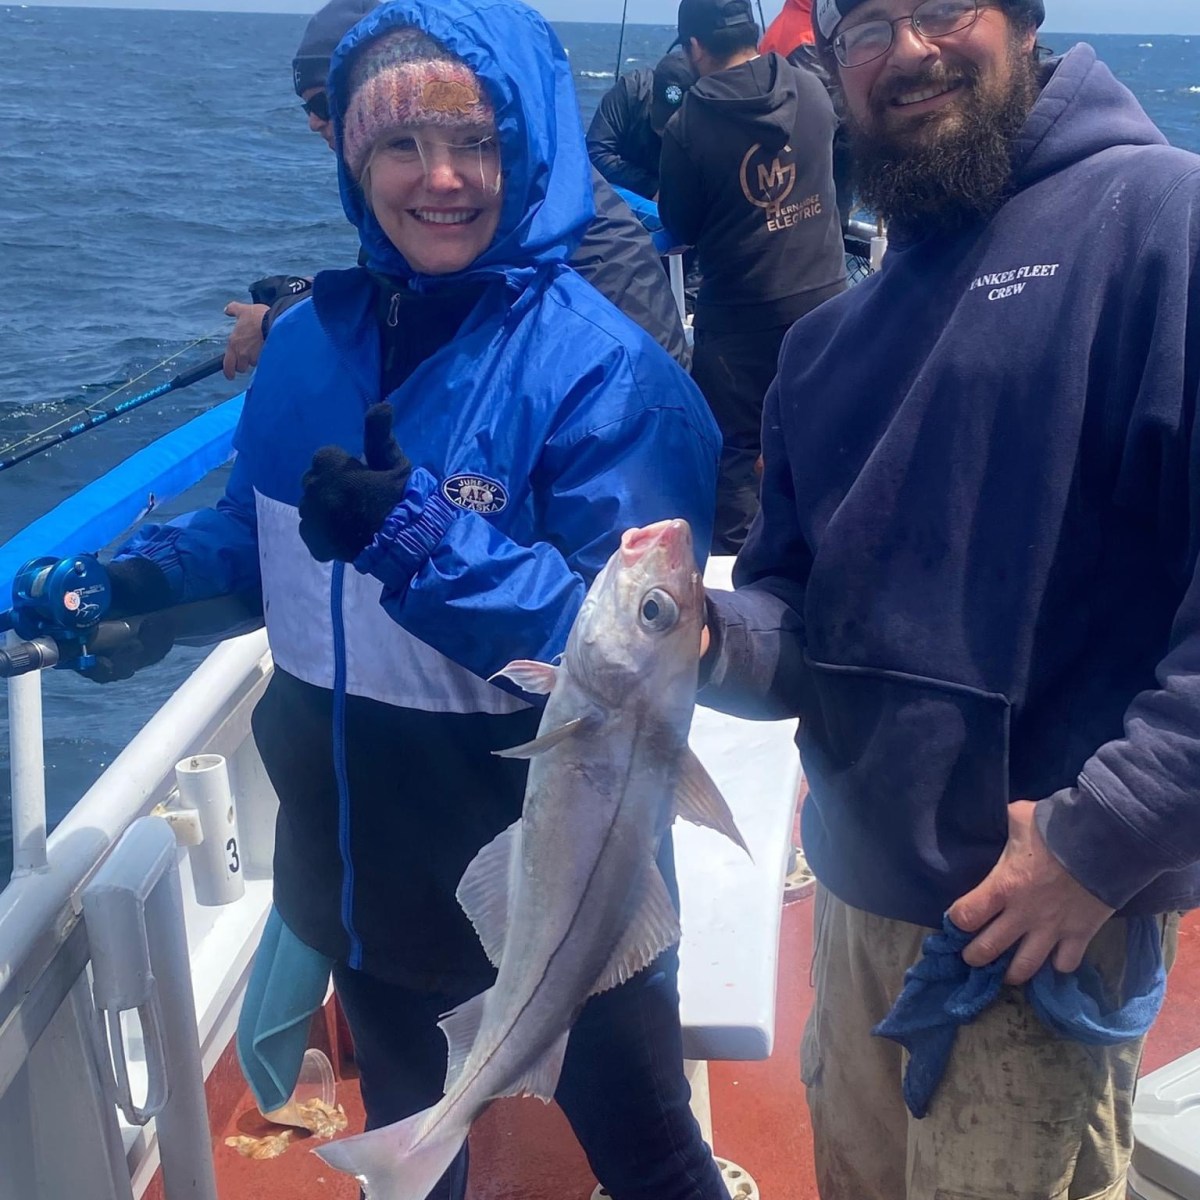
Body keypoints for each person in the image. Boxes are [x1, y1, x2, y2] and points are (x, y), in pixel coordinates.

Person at [89, 2, 731, 1198]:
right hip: (360, 868)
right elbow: (266, 539)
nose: (440, 178)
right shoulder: (306, 345)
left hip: (560, 878)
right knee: (416, 1157)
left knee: (648, 1162)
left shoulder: (606, 373)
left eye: (477, 142)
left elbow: (623, 652)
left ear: (530, 148)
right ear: (351, 157)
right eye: (399, 144)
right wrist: (143, 586)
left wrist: (423, 537)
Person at [698, 0, 1200, 1195]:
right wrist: (699, 640)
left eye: (942, 8)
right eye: (869, 23)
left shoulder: (1161, 218)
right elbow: (798, 626)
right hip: (859, 910)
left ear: (1024, 23)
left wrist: (1106, 835)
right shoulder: (827, 345)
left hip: (1047, 919)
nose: (909, 51)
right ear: (828, 65)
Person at [221, 0, 691, 380]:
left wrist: (276, 324)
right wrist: (300, 310)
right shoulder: (451, 219)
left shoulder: (573, 256)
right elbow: (412, 302)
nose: (315, 122)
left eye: (476, 143)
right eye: (401, 144)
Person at [659, 0, 846, 554]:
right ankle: (832, 547)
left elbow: (678, 223)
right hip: (826, 301)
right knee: (825, 431)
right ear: (753, 31)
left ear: (694, 49)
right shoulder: (813, 89)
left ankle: (742, 582)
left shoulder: (686, 123)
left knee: (736, 452)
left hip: (739, 318)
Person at [586, 51, 697, 200]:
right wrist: (652, 187)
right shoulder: (629, 90)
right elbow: (595, 153)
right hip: (631, 190)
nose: (664, 132)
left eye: (674, 125)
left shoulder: (709, 114)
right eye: (661, 121)